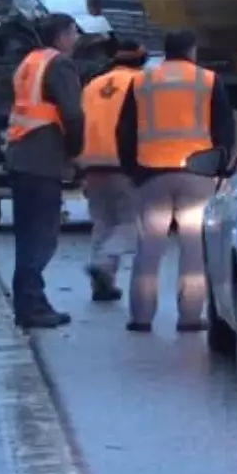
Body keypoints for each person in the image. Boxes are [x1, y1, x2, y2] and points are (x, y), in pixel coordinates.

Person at [116, 29, 236, 333]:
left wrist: (133, 171)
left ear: (165, 51)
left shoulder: (142, 81)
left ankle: (141, 317)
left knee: (148, 249)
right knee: (194, 249)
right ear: (192, 50)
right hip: (196, 175)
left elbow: (125, 131)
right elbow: (224, 131)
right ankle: (190, 317)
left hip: (151, 173)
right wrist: (220, 171)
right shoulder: (207, 80)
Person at [4, 13, 84, 329]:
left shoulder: (29, 63)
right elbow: (73, 115)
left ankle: (30, 300)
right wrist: (76, 151)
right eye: (74, 32)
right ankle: (31, 306)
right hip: (42, 160)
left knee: (27, 237)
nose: (77, 38)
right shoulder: (59, 65)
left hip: (21, 157)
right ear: (62, 35)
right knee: (41, 237)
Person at [76, 38, 148, 302]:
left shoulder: (93, 85)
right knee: (129, 223)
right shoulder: (141, 84)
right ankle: (104, 263)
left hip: (90, 162)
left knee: (103, 222)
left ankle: (102, 286)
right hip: (123, 162)